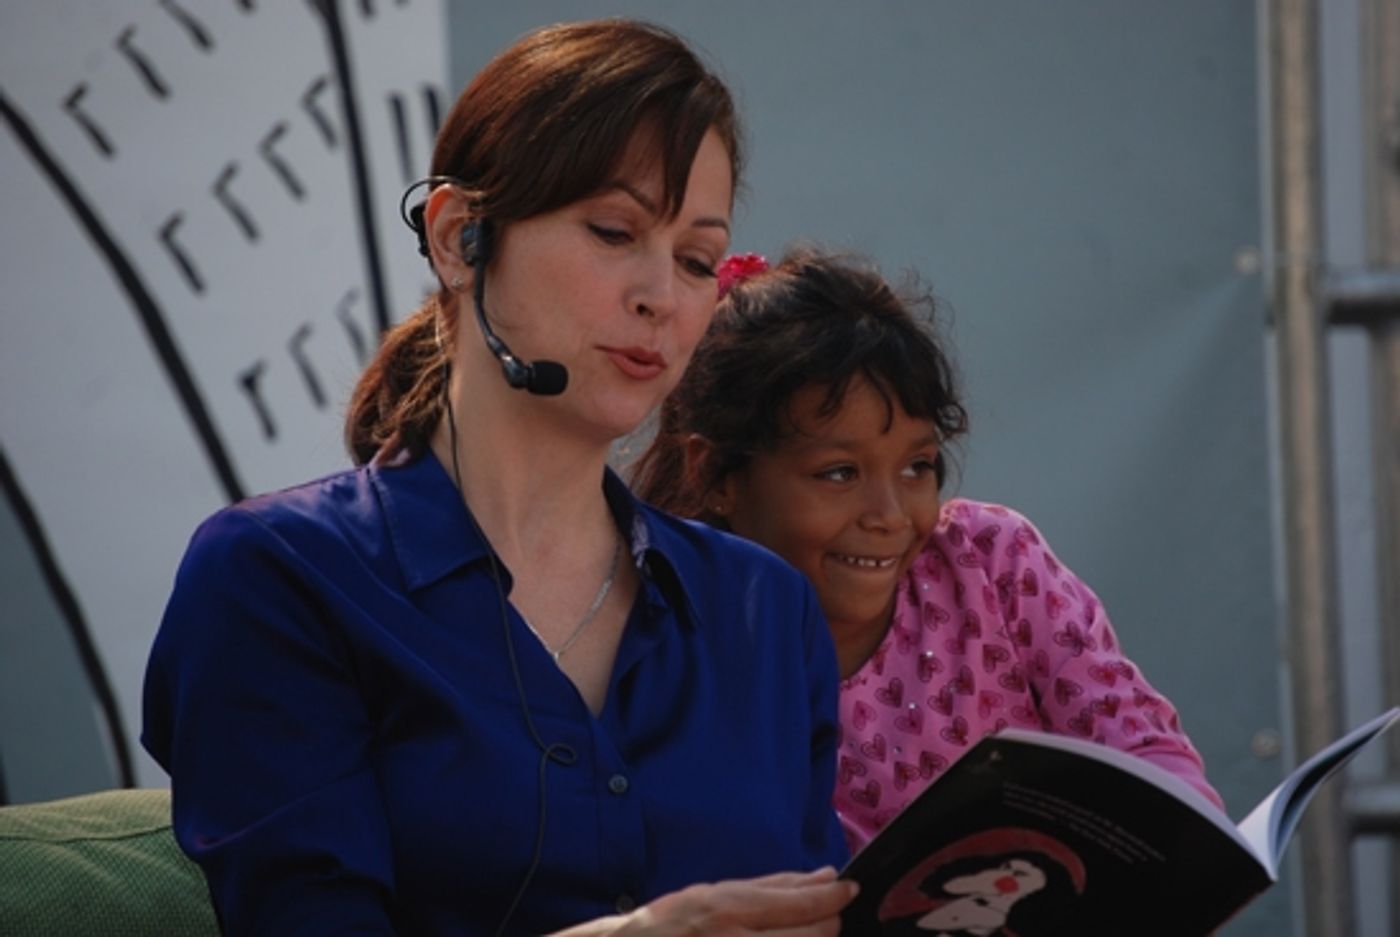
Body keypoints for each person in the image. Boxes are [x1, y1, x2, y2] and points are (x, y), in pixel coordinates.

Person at [141, 21, 854, 936]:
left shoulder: (766, 608)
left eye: (696, 259)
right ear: (457, 238)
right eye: (612, 230)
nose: (662, 296)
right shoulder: (279, 575)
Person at [630, 249, 1224, 852]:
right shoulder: (678, 645)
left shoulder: (992, 565)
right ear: (716, 476)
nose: (890, 515)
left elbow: (1140, 746)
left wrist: (1182, 851)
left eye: (918, 466)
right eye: (839, 473)